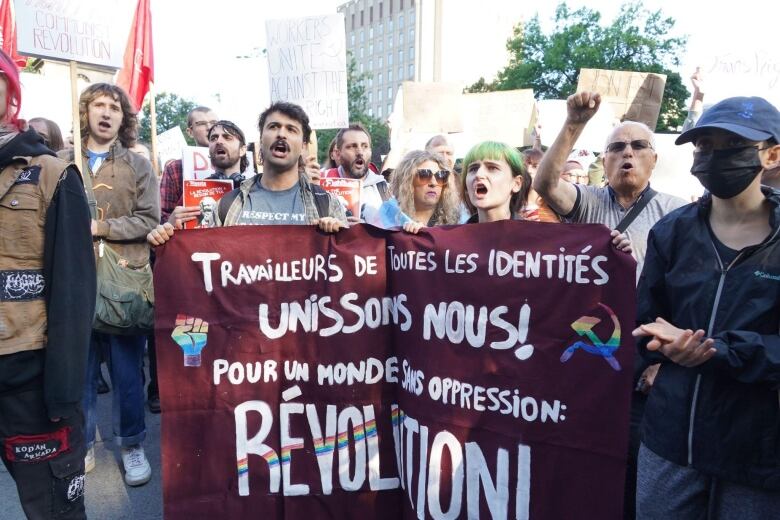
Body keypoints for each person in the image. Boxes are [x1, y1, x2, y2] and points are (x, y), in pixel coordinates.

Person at [533, 91, 687, 519]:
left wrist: (664, 362)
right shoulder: (587, 203)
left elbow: (687, 295)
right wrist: (574, 122)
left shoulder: (677, 215)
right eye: (617, 147)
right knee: (582, 460)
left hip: (643, 364)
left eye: (638, 147)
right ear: (604, 161)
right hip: (585, 362)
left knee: (634, 468)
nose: (627, 154)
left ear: (654, 160)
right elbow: (544, 185)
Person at [633, 96, 780, 519]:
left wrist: (720, 350)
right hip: (670, 442)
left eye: (731, 145)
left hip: (755, 454)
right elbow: (642, 323)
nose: (713, 157)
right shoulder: (672, 232)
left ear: (770, 154)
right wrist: (661, 345)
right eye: (704, 147)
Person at [0, 49, 95, 519]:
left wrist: (61, 391)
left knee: (55, 511)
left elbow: (74, 293)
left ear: (11, 89)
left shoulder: (53, 174)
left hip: (29, 382)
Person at [69, 83, 160, 487]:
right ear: (85, 112)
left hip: (125, 277)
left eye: (115, 108)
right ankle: (83, 442)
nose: (106, 113)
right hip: (75, 279)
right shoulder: (63, 162)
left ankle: (131, 444)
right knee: (80, 371)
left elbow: (149, 219)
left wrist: (100, 227)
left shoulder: (138, 166)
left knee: (125, 370)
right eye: (99, 106)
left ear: (125, 119)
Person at [147, 101, 346, 244]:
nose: (281, 134)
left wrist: (340, 237)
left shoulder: (326, 204)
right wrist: (165, 241)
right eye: (273, 126)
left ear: (303, 146)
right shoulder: (226, 205)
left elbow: (349, 271)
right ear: (260, 140)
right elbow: (201, 263)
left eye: (291, 129)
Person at [159, 106, 218, 223]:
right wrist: (172, 220)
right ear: (190, 132)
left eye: (214, 123)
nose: (209, 128)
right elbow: (163, 215)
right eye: (201, 124)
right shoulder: (174, 168)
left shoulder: (237, 163)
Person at [323, 122, 390, 220]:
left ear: (371, 151)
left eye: (365, 146)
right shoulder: (322, 186)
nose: (360, 152)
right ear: (337, 154)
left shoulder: (385, 190)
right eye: (352, 146)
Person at [389, 150, 461, 233]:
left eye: (441, 175)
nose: (433, 183)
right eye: (424, 175)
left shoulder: (456, 222)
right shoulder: (386, 217)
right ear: (406, 180)